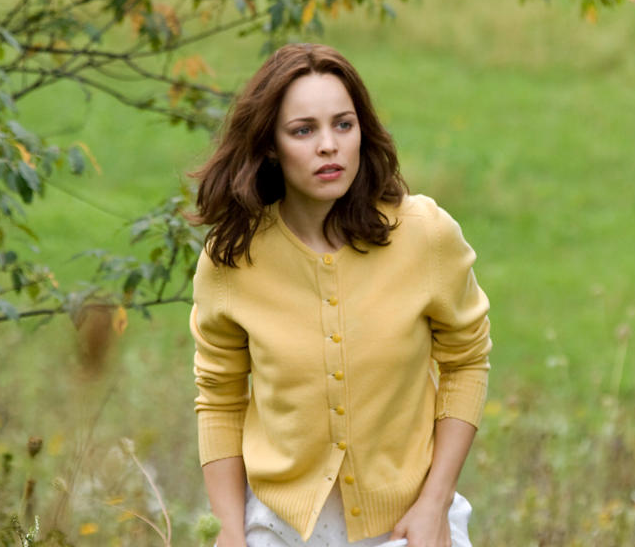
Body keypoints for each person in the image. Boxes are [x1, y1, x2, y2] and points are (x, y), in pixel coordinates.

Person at [189, 43, 491, 547]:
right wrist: (229, 530)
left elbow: (467, 363)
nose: (328, 145)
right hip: (277, 529)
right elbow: (219, 398)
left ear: (361, 132)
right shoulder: (231, 257)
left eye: (343, 125)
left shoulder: (425, 235)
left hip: (408, 526)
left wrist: (435, 504)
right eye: (303, 130)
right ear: (269, 145)